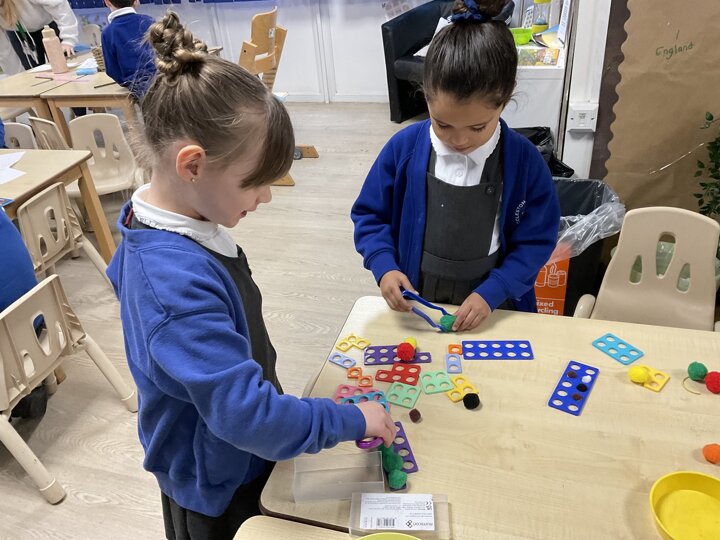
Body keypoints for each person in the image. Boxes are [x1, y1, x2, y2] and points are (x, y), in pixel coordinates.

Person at [106, 12, 395, 540]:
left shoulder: (162, 220)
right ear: (192, 165)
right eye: (255, 182)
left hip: (227, 450)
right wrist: (351, 420)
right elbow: (249, 418)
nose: (265, 197)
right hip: (216, 484)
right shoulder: (173, 283)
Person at [352, 0, 560, 332]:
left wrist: (496, 290)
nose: (459, 140)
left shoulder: (525, 162)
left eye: (477, 127)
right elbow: (369, 215)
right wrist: (384, 265)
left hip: (492, 307)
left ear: (505, 100)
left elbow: (536, 240)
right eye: (443, 124)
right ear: (425, 96)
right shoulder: (402, 149)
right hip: (418, 303)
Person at [0, 0, 78, 70]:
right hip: (19, 32)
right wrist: (16, 77)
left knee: (64, 64)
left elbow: (60, 7)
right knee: (30, 72)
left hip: (49, 26)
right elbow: (4, 53)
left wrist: (68, 40)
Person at [101, 0, 155, 98]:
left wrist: (126, 82)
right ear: (136, 1)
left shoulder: (107, 32)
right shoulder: (149, 21)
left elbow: (111, 70)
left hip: (138, 88)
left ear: (107, 2)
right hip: (165, 81)